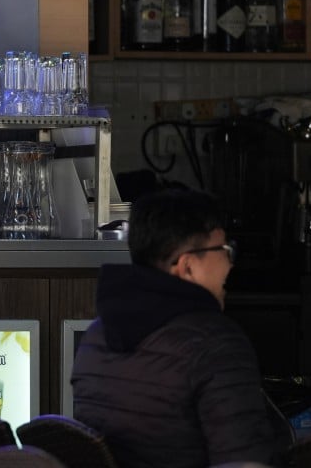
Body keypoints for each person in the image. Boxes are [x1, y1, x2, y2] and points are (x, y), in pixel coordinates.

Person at [70, 189, 287, 468]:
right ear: (187, 267)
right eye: (223, 250)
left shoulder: (96, 336)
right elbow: (244, 462)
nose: (230, 263)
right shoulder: (216, 343)